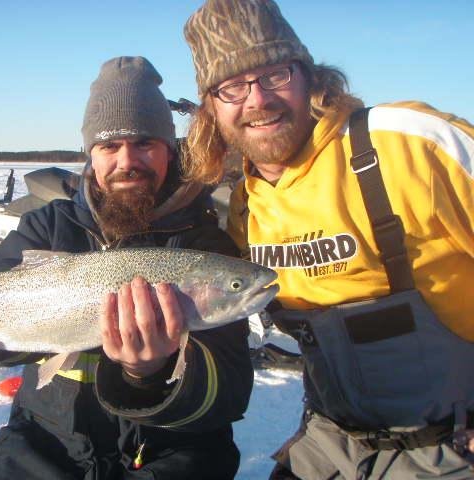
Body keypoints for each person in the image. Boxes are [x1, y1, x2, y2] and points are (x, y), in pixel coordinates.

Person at [0, 56, 253, 480]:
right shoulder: (46, 225)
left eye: (145, 142)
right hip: (45, 444)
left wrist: (150, 374)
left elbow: (230, 396)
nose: (127, 160)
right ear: (91, 154)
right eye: (110, 146)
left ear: (170, 148)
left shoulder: (205, 243)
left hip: (170, 451)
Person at [182, 1, 474, 479]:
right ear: (211, 108)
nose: (256, 100)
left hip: (452, 446)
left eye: (275, 74)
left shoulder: (411, 146)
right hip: (331, 443)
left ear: (309, 77)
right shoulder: (245, 206)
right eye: (233, 86)